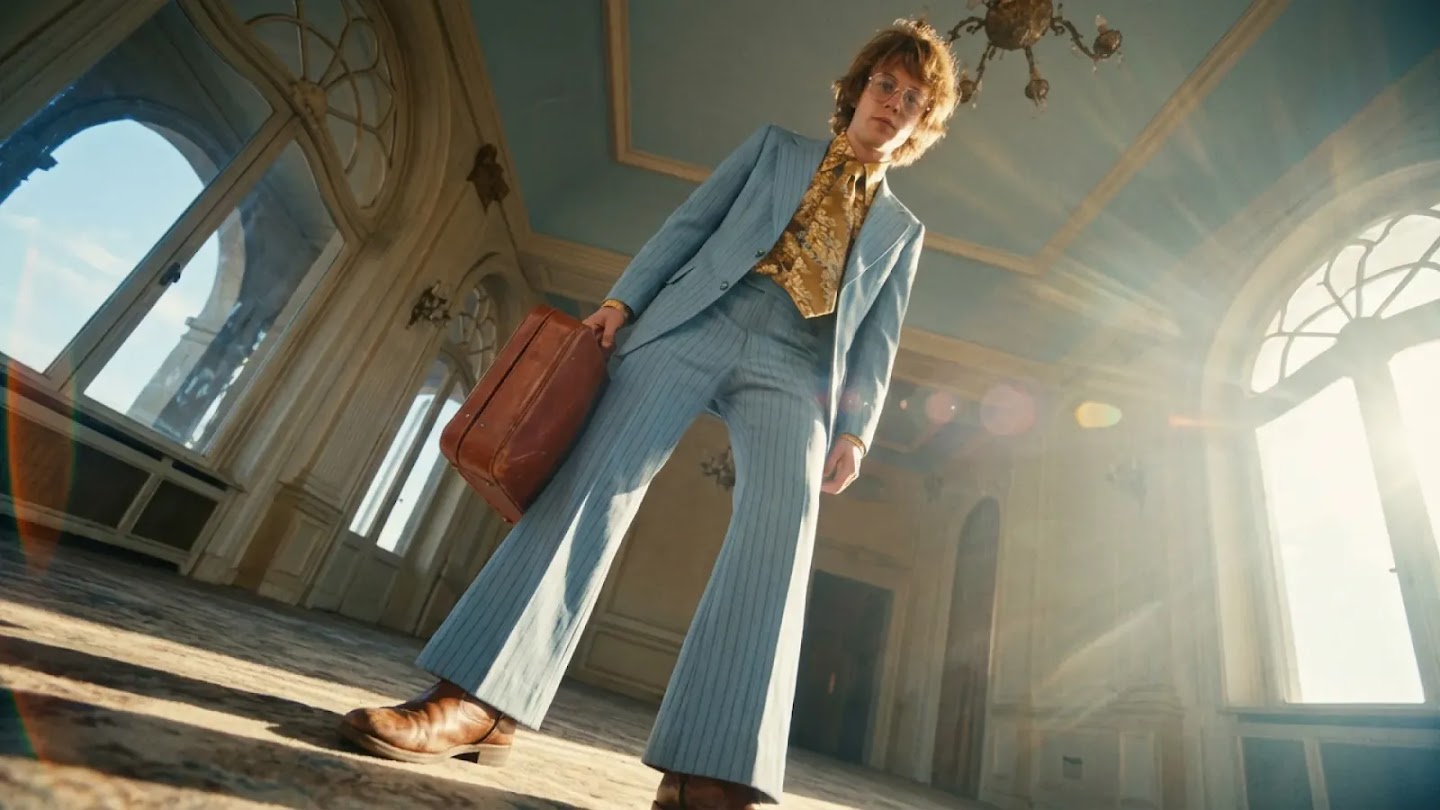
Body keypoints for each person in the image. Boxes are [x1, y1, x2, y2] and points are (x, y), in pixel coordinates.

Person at [340, 18, 958, 809]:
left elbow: (880, 337)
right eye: (886, 85)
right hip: (694, 320)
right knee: (590, 491)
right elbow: (689, 225)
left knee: (780, 536)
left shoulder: (903, 231)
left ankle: (713, 768)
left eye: (913, 99)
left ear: (920, 124)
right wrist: (621, 302)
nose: (894, 104)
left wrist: (856, 428)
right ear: (858, 89)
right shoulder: (774, 148)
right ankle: (477, 700)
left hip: (799, 366)